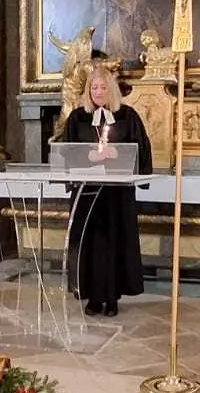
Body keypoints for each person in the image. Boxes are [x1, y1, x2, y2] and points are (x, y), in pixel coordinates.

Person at [61, 62, 153, 316]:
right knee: (90, 244)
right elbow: (68, 152)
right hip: (87, 193)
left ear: (111, 89)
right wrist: (88, 158)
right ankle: (92, 296)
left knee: (113, 244)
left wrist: (115, 153)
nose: (98, 91)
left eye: (103, 87)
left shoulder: (128, 116)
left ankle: (112, 298)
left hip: (116, 194)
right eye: (94, 87)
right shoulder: (77, 118)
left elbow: (141, 151)